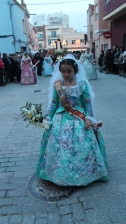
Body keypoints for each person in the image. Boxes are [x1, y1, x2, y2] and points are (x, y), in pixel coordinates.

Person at [36, 54, 108, 186]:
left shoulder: (81, 84)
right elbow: (54, 103)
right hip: (60, 119)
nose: (65, 74)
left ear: (75, 70)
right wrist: (48, 117)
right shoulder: (57, 85)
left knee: (82, 146)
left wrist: (89, 118)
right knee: (59, 146)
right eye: (63, 71)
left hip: (79, 118)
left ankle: (84, 172)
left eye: (69, 71)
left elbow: (87, 103)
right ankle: (57, 172)